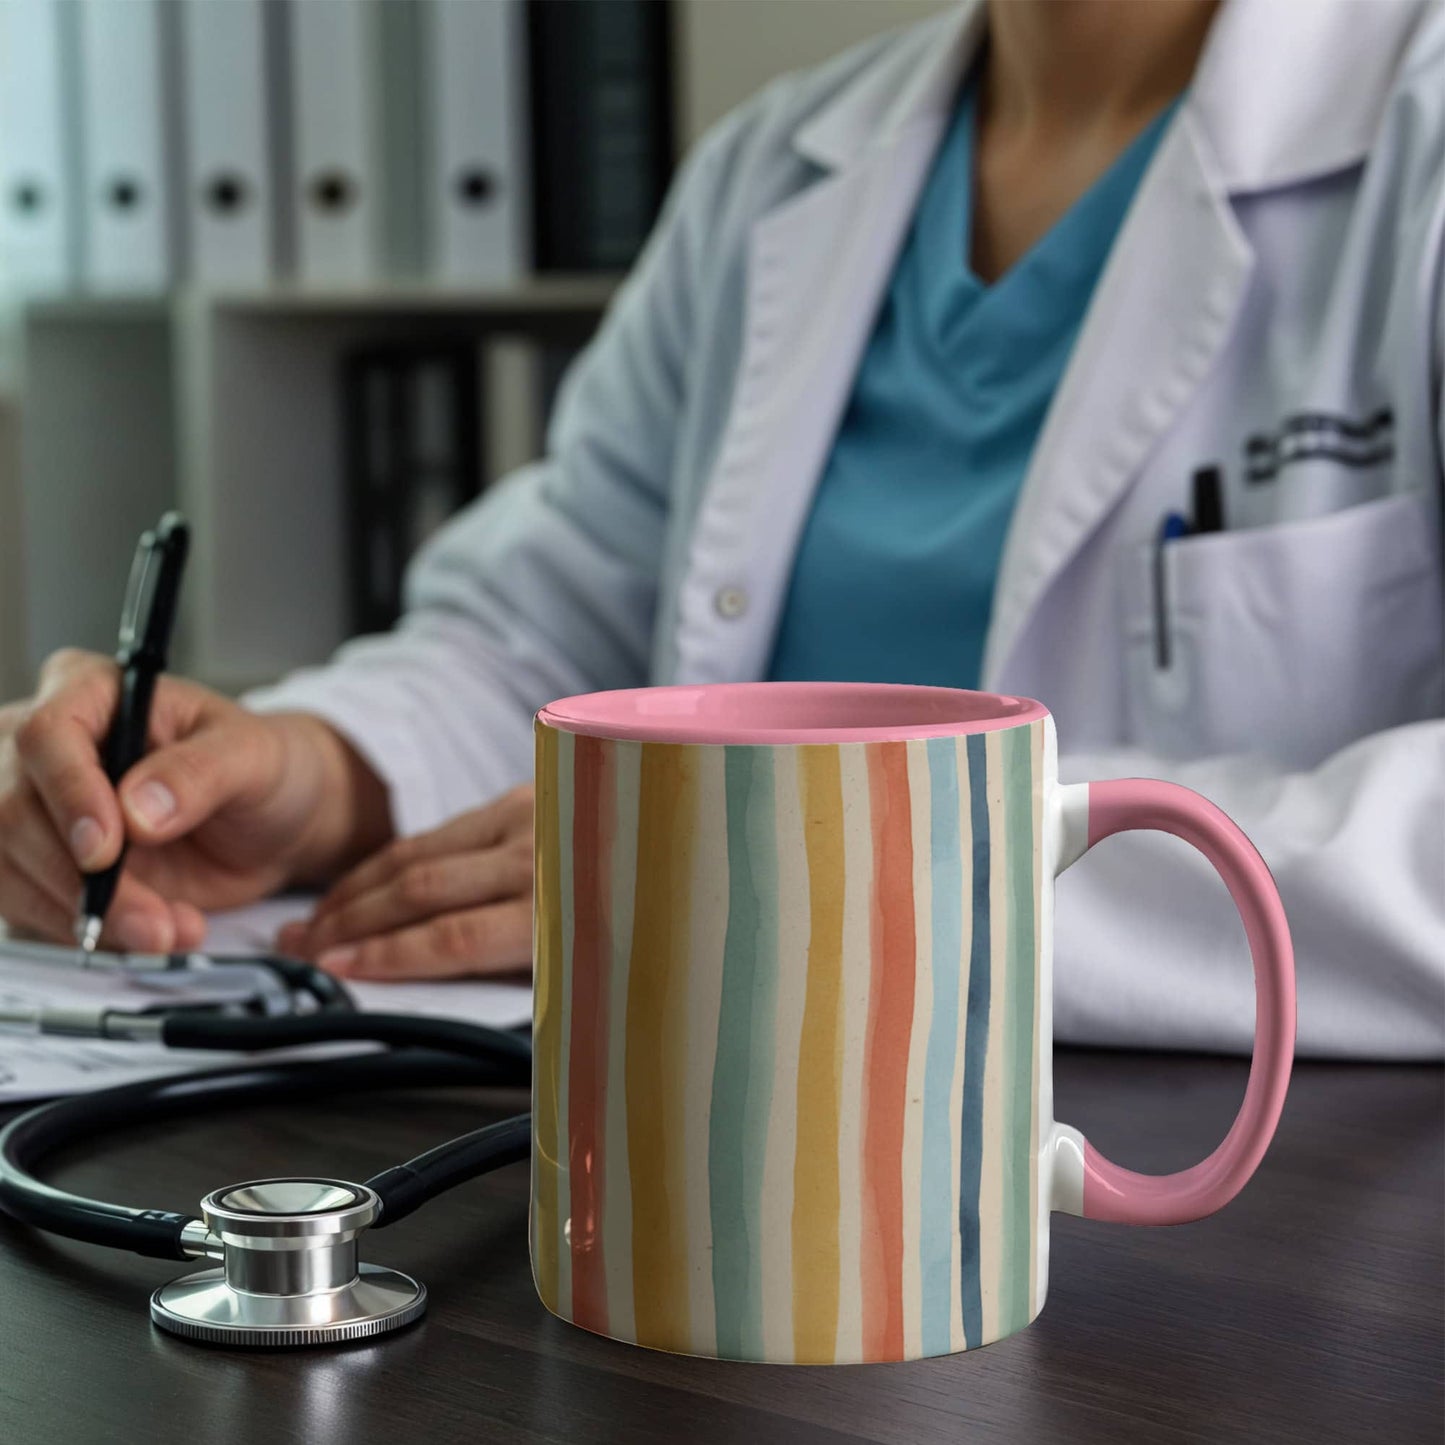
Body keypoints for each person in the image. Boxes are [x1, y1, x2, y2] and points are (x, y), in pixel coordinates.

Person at [0, 0, 1440, 1057]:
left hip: (1243, 1195)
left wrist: (837, 874)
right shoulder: (778, 169)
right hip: (709, 1110)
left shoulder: (1411, 132)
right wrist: (317, 780)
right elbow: (552, 641)